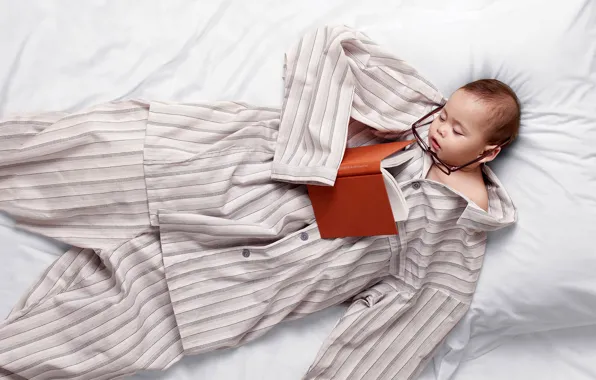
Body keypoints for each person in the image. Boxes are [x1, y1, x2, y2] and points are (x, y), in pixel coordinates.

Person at [0, 26, 517, 380]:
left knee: (69, 341)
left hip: (236, 278)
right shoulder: (414, 115)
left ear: (488, 150)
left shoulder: (459, 233)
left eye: (456, 128)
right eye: (445, 113)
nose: (440, 127)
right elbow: (333, 44)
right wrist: (309, 160)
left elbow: (411, 322)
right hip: (220, 173)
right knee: (66, 157)